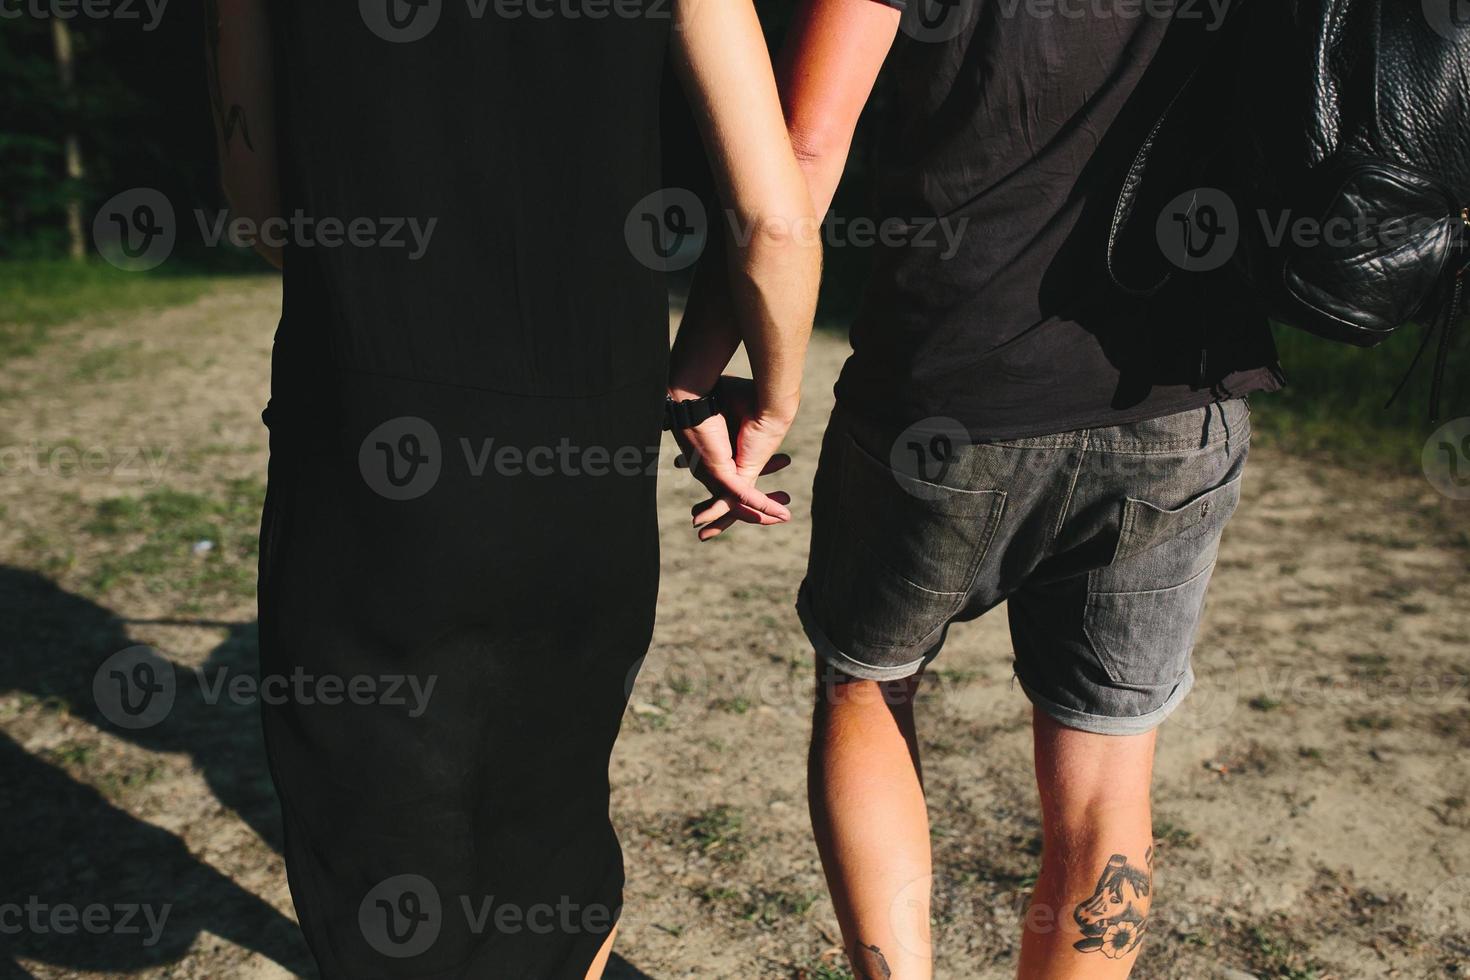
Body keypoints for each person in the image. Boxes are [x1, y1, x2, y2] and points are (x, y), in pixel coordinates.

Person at [207, 0, 818, 975]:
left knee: (385, 886)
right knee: (553, 850)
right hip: (584, 450)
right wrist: (769, 400)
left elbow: (264, 208)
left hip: (369, 440)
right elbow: (775, 224)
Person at [688, 0, 1285, 975]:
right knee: (1107, 775)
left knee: (868, 683)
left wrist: (717, 368)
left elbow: (802, 149)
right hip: (1178, 384)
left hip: (947, 388)